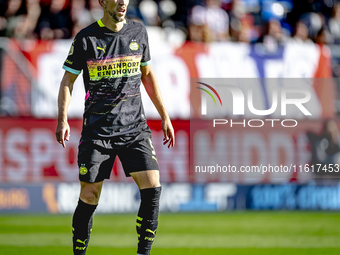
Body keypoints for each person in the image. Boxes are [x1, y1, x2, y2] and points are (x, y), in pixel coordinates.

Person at [55, 0, 175, 254]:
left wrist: (165, 115)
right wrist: (62, 118)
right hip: (98, 133)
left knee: (153, 187)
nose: (122, 2)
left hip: (135, 129)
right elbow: (68, 80)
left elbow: (148, 75)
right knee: (89, 196)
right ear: (102, 1)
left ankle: (143, 252)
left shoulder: (138, 32)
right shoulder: (86, 38)